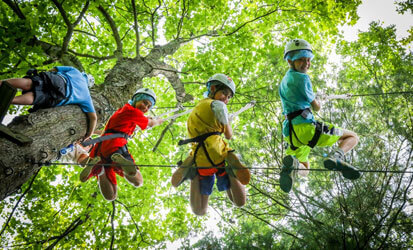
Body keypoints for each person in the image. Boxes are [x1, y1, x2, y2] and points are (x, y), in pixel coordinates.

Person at [278, 39, 360, 193]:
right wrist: (318, 101)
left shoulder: (284, 81)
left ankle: (293, 166)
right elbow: (316, 107)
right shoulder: (302, 78)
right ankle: (337, 156)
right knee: (352, 137)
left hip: (291, 134)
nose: (306, 63)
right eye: (301, 60)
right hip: (307, 129)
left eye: (308, 60)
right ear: (290, 61)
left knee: (305, 168)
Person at [171, 73, 250, 216]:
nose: (226, 99)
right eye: (224, 94)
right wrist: (228, 123)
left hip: (201, 157)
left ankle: (193, 174)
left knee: (199, 210)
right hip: (218, 153)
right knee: (239, 201)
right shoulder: (218, 105)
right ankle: (231, 167)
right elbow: (228, 135)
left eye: (228, 98)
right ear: (213, 89)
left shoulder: (198, 108)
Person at [79, 88, 164, 201]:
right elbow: (149, 124)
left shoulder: (122, 111)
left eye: (149, 106)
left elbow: (106, 131)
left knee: (111, 196)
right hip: (115, 145)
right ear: (136, 99)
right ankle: (119, 161)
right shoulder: (132, 111)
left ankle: (101, 171)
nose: (145, 107)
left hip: (101, 148)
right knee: (138, 181)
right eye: (144, 102)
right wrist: (158, 121)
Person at [0, 66, 97, 140]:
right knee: (36, 97)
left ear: (85, 75)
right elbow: (93, 117)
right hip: (61, 96)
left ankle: (1, 83)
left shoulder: (75, 71)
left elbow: (54, 69)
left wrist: (47, 75)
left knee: (30, 83)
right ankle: (10, 100)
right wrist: (89, 134)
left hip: (58, 80)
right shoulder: (86, 96)